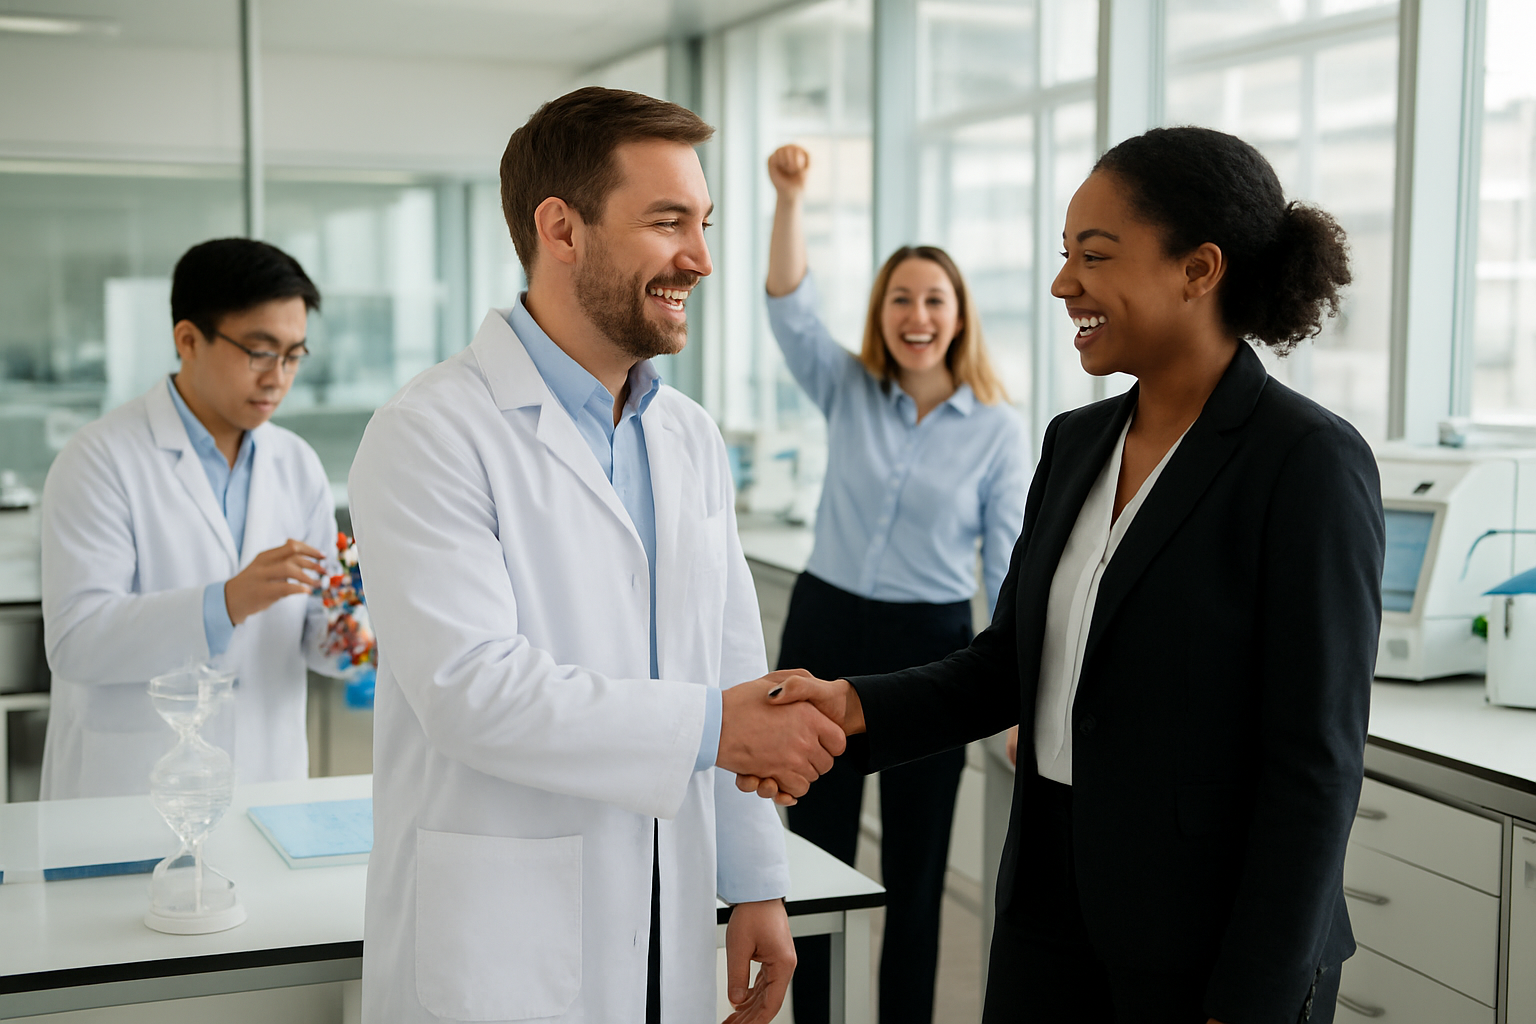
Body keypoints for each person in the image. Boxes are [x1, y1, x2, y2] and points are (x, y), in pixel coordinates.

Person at [748, 127, 1384, 1023]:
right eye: (1062, 256)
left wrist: (1251, 998)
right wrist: (852, 705)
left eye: (1094, 255)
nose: (1062, 284)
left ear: (1199, 269)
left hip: (1207, 948)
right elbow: (1010, 664)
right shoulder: (1077, 443)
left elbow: (1315, 769)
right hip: (1050, 912)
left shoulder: (1307, 461)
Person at [348, 88, 845, 1024]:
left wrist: (756, 881)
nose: (700, 258)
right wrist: (710, 729)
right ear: (561, 229)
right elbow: (471, 690)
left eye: (702, 223)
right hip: (506, 939)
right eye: (667, 222)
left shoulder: (688, 436)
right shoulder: (430, 432)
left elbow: (731, 666)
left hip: (668, 910)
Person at [762, 143, 1028, 1024]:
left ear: (960, 317)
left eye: (935, 300)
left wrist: (1021, 695)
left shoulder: (996, 428)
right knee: (816, 858)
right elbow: (792, 312)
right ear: (884, 313)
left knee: (914, 871)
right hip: (826, 626)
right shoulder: (848, 387)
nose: (918, 315)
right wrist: (790, 198)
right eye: (902, 299)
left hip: (931, 651)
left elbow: (1013, 563)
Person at [40, 238, 349, 800]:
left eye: (294, 355)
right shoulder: (99, 459)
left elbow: (315, 628)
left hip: (265, 785)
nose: (278, 376)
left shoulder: (296, 463)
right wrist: (225, 602)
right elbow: (76, 641)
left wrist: (352, 637)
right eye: (260, 351)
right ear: (189, 339)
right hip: (131, 792)